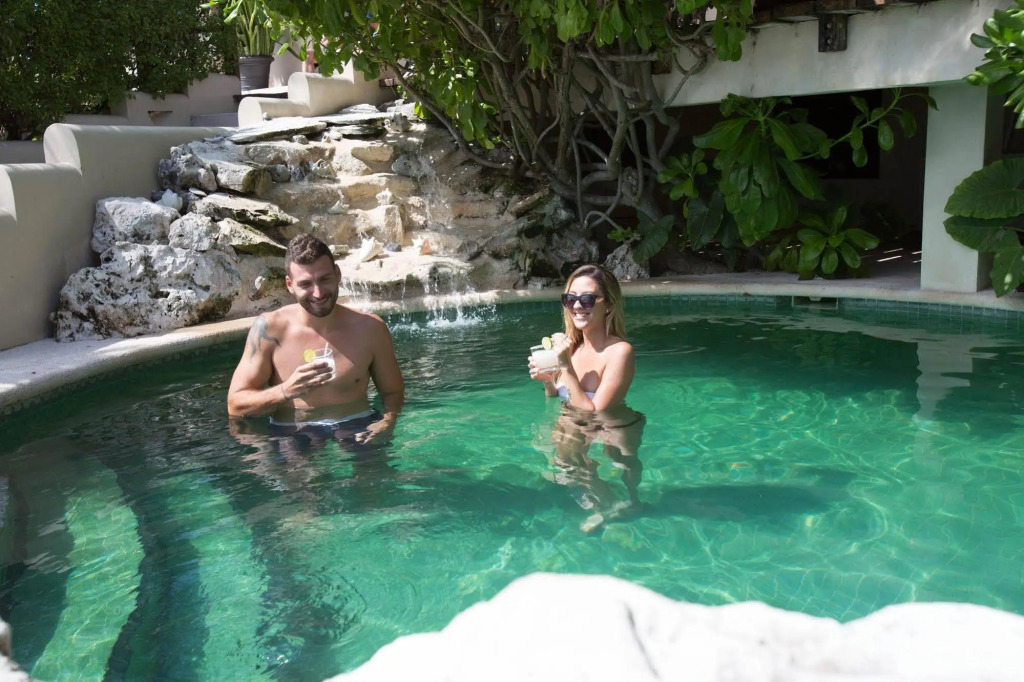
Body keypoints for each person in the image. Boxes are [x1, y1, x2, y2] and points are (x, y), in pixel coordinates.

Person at [227, 234, 404, 449]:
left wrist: (387, 422)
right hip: (293, 429)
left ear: (337, 274)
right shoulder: (269, 329)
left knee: (373, 467)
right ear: (290, 285)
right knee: (292, 467)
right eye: (305, 284)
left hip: (357, 421)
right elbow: (235, 405)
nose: (318, 293)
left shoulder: (370, 329)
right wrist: (285, 391)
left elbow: (392, 392)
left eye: (324, 279)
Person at [528, 264, 646, 533]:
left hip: (613, 426)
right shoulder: (571, 348)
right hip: (572, 427)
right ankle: (607, 507)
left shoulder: (620, 352)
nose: (577, 306)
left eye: (588, 299)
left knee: (623, 469)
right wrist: (548, 381)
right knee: (570, 471)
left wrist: (565, 366)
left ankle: (630, 504)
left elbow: (595, 412)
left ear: (609, 305)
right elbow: (556, 400)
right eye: (570, 299)